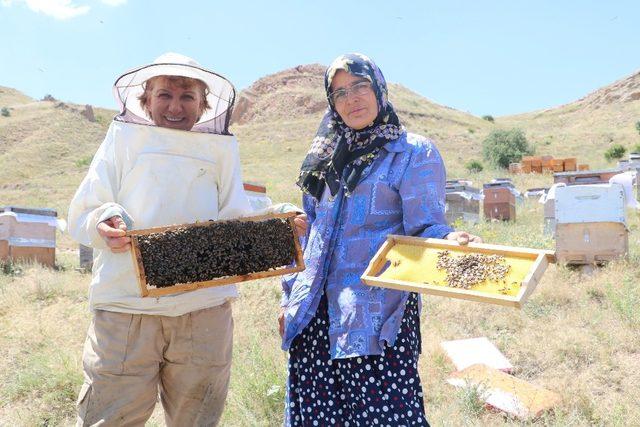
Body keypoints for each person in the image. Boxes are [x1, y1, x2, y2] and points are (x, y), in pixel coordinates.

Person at [279, 53, 481, 426]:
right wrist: (290, 297)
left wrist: (450, 238)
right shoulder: (324, 159)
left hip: (374, 316)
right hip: (313, 316)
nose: (351, 98)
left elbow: (425, 226)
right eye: (339, 93)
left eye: (360, 86)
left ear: (379, 90)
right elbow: (310, 235)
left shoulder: (411, 152)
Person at [69, 52, 254, 426]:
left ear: (204, 105)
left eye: (187, 97)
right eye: (164, 95)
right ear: (145, 99)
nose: (175, 106)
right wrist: (104, 222)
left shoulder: (221, 148)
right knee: (110, 418)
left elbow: (237, 217)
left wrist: (281, 223)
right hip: (126, 310)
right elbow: (86, 209)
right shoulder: (122, 137)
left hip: (203, 312)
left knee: (197, 419)